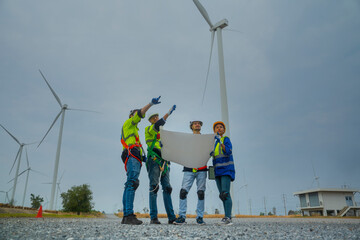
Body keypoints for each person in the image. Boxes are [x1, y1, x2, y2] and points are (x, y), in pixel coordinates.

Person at [120, 96, 161, 225]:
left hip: (134, 155)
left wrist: (143, 158)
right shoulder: (129, 123)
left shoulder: (134, 130)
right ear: (132, 116)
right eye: (136, 113)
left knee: (130, 184)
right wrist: (150, 104)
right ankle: (128, 215)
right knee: (132, 183)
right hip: (132, 155)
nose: (140, 115)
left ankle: (126, 215)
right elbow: (140, 113)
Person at [145, 105, 177, 224]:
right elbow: (158, 125)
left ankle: (171, 217)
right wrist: (168, 113)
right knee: (154, 187)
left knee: (167, 188)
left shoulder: (163, 135)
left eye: (157, 117)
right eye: (154, 118)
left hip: (164, 162)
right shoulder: (149, 130)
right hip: (154, 160)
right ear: (150, 121)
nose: (156, 119)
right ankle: (153, 217)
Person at [174, 120, 207, 225]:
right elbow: (178, 149)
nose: (197, 124)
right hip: (189, 169)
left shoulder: (207, 139)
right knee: (183, 192)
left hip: (202, 169)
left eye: (199, 123)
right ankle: (182, 217)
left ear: (201, 126)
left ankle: (200, 217)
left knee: (201, 193)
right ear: (191, 126)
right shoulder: (186, 140)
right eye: (195, 123)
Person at [212, 121, 235, 225]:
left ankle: (228, 217)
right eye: (217, 127)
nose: (219, 128)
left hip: (226, 170)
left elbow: (228, 151)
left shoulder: (225, 139)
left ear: (224, 130)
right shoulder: (213, 143)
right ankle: (226, 216)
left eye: (221, 127)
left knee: (225, 193)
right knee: (221, 195)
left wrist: (221, 142)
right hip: (217, 171)